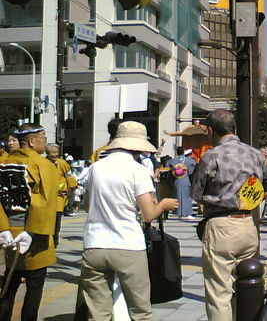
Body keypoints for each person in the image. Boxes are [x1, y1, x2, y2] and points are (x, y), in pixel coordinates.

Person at [80, 121, 179, 321]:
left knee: (98, 312)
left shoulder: (96, 168)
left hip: (94, 245)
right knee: (140, 311)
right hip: (127, 245)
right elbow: (148, 214)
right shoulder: (138, 171)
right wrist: (164, 204)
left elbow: (86, 206)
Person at [191, 110, 267, 321]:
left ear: (210, 131)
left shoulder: (211, 156)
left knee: (219, 293)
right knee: (246, 286)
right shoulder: (254, 154)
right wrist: (251, 199)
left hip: (220, 226)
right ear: (235, 129)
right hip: (248, 223)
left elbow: (196, 194)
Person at [0, 123, 60, 321]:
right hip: (33, 232)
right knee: (34, 285)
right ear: (32, 141)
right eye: (43, 137)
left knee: (9, 282)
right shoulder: (43, 165)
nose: (45, 141)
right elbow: (45, 202)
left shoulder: (4, 162)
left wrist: (3, 229)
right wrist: (32, 232)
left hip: (10, 229)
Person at [45, 143, 78, 246]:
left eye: (57, 152)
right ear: (48, 153)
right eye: (53, 153)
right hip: (47, 197)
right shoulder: (44, 163)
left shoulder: (62, 163)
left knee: (57, 220)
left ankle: (55, 241)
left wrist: (71, 187)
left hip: (60, 196)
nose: (55, 155)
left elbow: (69, 176)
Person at [168, 147, 197, 219]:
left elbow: (169, 166)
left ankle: (178, 213)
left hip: (177, 179)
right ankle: (188, 213)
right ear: (184, 152)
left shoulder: (173, 161)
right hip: (185, 178)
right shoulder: (189, 160)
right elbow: (191, 170)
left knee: (177, 196)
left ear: (177, 152)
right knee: (187, 196)